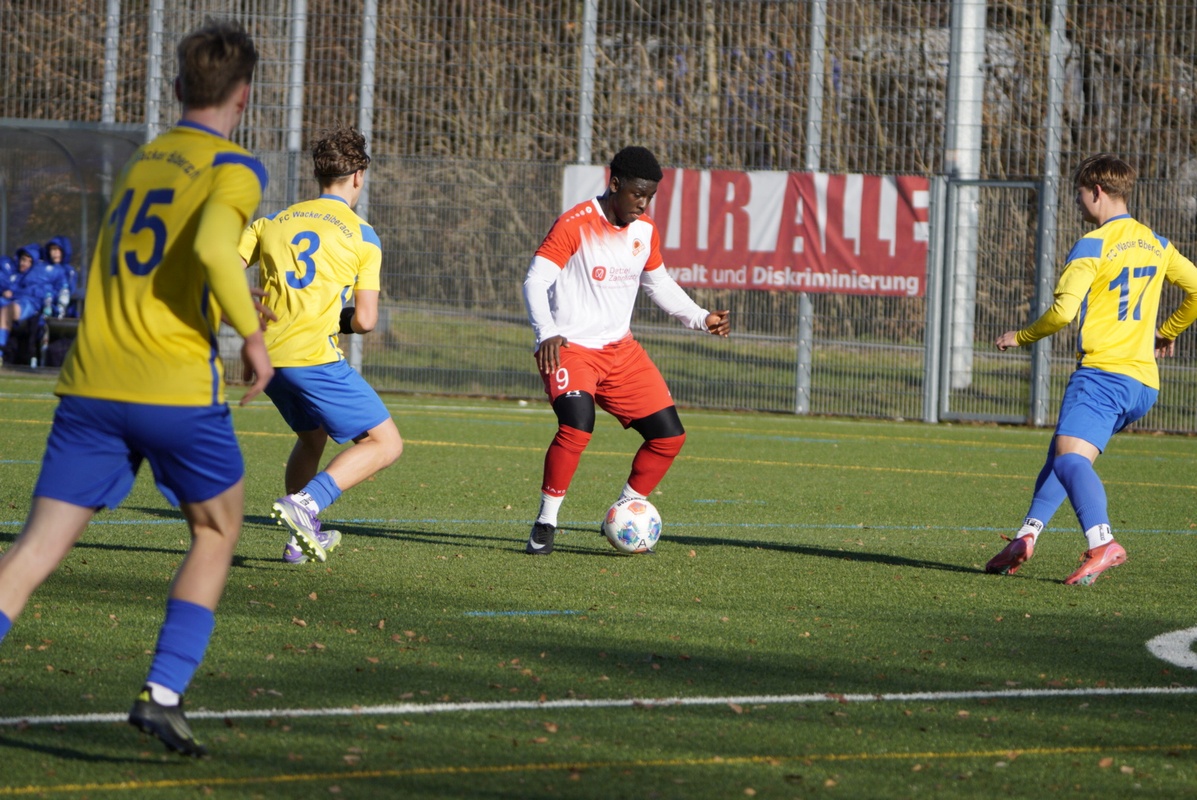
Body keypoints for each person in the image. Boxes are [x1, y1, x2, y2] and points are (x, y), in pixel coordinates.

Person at [0, 19, 272, 756]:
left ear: (178, 86)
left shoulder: (145, 159)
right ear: (244, 96)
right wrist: (251, 334)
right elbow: (213, 246)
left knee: (35, 550)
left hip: (90, 381)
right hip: (172, 387)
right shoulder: (234, 167)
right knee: (216, 529)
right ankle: (163, 692)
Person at [987, 153, 1197, 585]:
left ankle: (1103, 542)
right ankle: (1026, 536)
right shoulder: (1157, 243)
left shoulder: (1093, 244)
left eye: (1080, 193)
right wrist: (1168, 331)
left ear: (1096, 191)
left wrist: (1021, 336)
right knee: (1063, 455)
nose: (1078, 201)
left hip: (1102, 375)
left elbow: (1063, 313)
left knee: (1069, 461)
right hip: (1143, 383)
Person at [521, 145, 730, 555]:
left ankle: (624, 509)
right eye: (637, 193)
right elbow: (535, 280)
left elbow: (658, 284)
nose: (643, 203)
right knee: (577, 425)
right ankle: (546, 522)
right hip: (570, 349)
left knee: (669, 437)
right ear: (614, 184)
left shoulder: (644, 231)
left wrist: (700, 317)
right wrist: (546, 332)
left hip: (621, 352)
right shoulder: (576, 224)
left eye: (650, 196)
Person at [238, 125, 403, 565]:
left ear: (318, 174)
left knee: (312, 438)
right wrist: (337, 319)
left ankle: (299, 539)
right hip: (313, 359)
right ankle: (307, 503)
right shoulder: (362, 235)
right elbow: (365, 320)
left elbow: (223, 268)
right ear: (358, 176)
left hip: (269, 359)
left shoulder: (272, 222)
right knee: (386, 444)